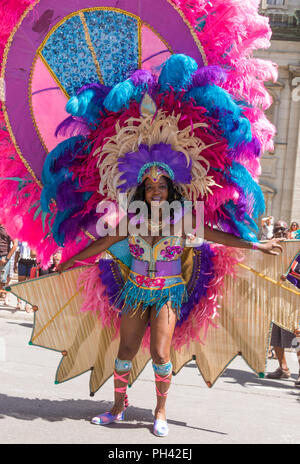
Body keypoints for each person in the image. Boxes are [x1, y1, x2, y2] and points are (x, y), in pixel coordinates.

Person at [59, 170, 282, 437]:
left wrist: (258, 246)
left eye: (161, 186)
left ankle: (160, 411)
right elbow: (104, 242)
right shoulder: (132, 221)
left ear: (170, 191)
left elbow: (218, 237)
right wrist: (71, 260)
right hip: (136, 290)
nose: (156, 191)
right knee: (125, 350)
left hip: (168, 292)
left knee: (161, 354)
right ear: (142, 191)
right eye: (150, 186)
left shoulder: (183, 220)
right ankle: (118, 406)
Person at [14, 241, 37, 312]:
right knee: (20, 283)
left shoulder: (36, 238)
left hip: (32, 262)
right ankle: (19, 302)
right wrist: (15, 263)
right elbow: (17, 251)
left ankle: (27, 303)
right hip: (22, 261)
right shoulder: (21, 239)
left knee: (29, 284)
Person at [0, 224, 18, 304]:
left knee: (2, 281)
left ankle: (4, 295)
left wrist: (6, 258)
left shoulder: (10, 228)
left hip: (4, 257)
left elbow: (15, 245)